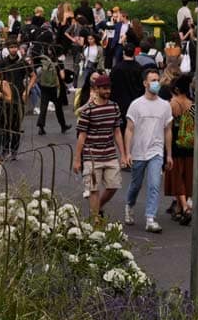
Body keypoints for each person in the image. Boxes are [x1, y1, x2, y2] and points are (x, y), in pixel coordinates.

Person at [123, 73, 173, 234]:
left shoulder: (165, 105)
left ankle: (150, 218)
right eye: (153, 80)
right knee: (136, 185)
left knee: (154, 184)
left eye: (158, 80)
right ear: (145, 83)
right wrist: (127, 153)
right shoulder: (136, 105)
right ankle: (129, 205)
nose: (156, 83)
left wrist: (169, 154)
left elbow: (168, 130)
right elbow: (129, 129)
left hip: (156, 151)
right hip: (138, 151)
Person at [73, 72, 126, 218]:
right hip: (91, 155)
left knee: (114, 185)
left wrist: (123, 154)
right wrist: (78, 159)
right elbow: (82, 135)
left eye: (109, 88)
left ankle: (98, 207)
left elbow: (117, 132)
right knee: (93, 188)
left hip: (109, 154)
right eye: (104, 88)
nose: (107, 91)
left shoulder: (114, 107)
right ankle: (95, 219)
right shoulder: (88, 110)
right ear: (96, 89)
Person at [163, 74, 196, 225]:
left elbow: (167, 126)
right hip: (190, 145)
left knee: (177, 177)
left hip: (176, 145)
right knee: (187, 176)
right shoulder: (192, 104)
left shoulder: (172, 104)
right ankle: (180, 206)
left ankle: (184, 207)